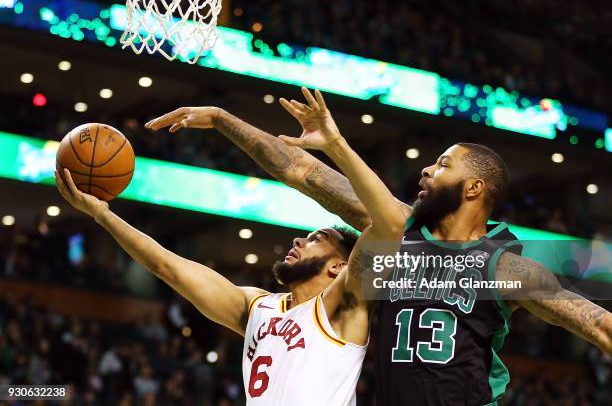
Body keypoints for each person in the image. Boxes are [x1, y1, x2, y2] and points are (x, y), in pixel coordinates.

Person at [147, 87, 612, 405]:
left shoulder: (505, 267)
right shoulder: (396, 230)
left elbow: (598, 325)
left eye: (443, 165)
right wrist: (223, 120)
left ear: (473, 189)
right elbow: (299, 169)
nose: (427, 171)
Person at [55, 88, 405, 405]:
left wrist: (336, 145)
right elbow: (167, 267)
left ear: (339, 267)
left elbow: (389, 223)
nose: (298, 240)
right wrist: (102, 215)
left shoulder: (346, 304)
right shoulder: (257, 307)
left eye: (316, 239)